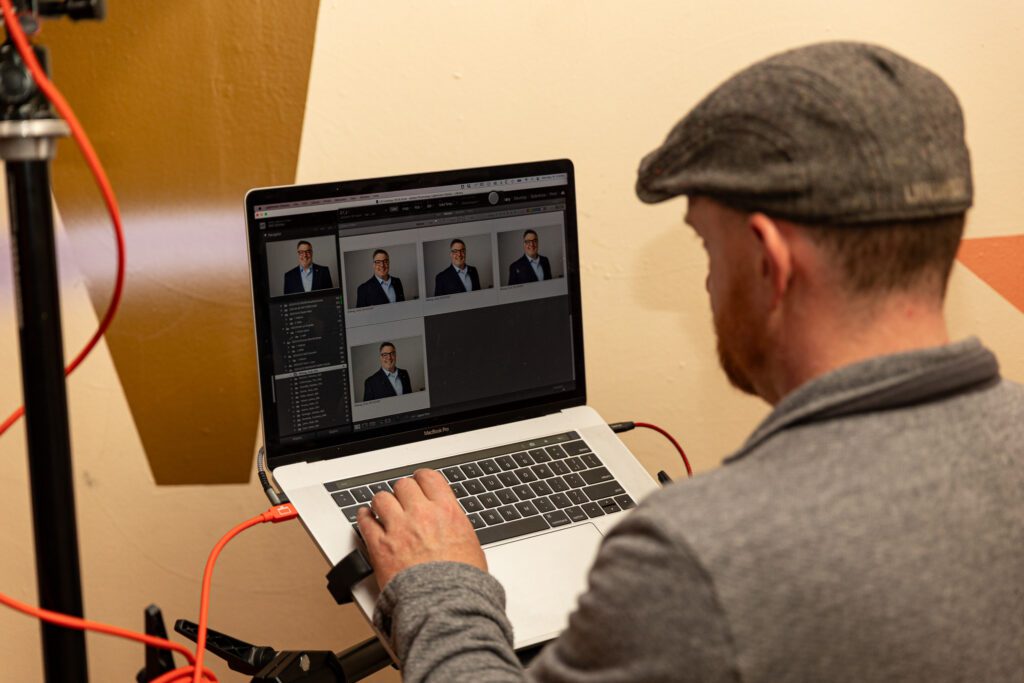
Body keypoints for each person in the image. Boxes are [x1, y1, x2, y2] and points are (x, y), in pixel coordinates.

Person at [354, 42, 1024, 682]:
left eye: (707, 246)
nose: (707, 282)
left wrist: (438, 583)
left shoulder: (703, 554)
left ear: (769, 261)